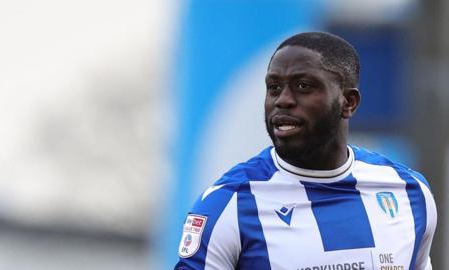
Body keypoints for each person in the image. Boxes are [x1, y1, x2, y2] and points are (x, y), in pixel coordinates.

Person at [174, 32, 436, 270]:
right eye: (274, 87)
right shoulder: (229, 203)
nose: (283, 100)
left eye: (303, 86)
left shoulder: (409, 192)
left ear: (349, 102)